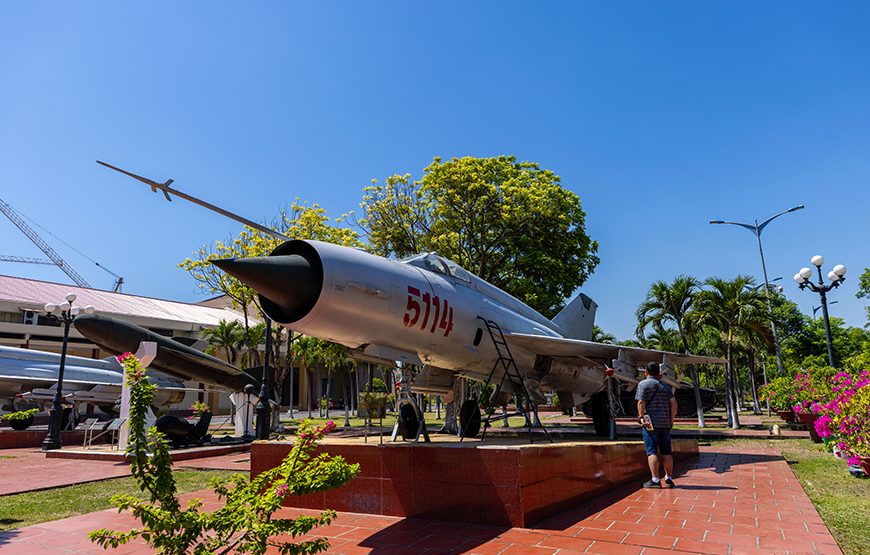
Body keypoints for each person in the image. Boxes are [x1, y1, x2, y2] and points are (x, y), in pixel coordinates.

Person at [635, 362, 677, 488]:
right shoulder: (665, 387)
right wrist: (671, 420)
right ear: (658, 372)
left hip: (650, 424)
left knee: (651, 451)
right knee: (666, 452)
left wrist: (641, 417)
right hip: (665, 424)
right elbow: (674, 404)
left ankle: (655, 479)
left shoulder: (643, 384)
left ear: (646, 372)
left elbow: (641, 401)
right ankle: (668, 478)